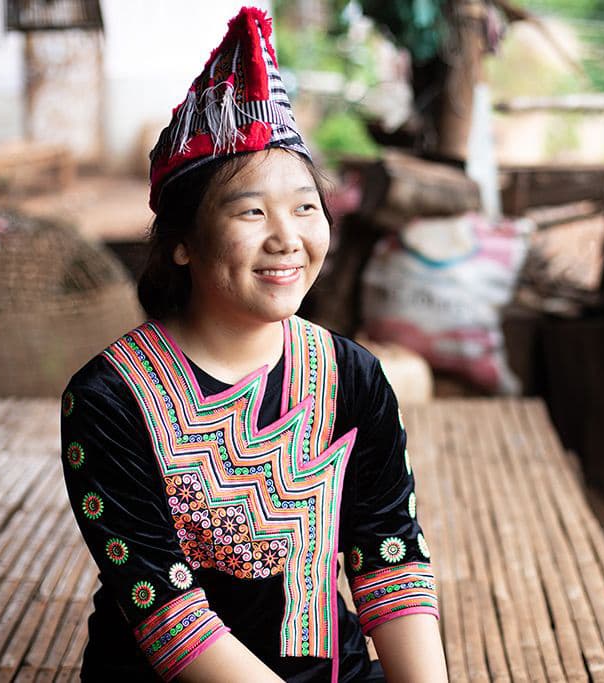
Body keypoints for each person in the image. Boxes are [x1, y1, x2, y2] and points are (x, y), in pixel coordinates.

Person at [60, 7, 447, 681]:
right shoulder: (110, 399)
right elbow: (168, 614)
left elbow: (389, 554)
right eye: (250, 211)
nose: (286, 237)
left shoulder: (350, 374)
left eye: (304, 206)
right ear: (181, 241)